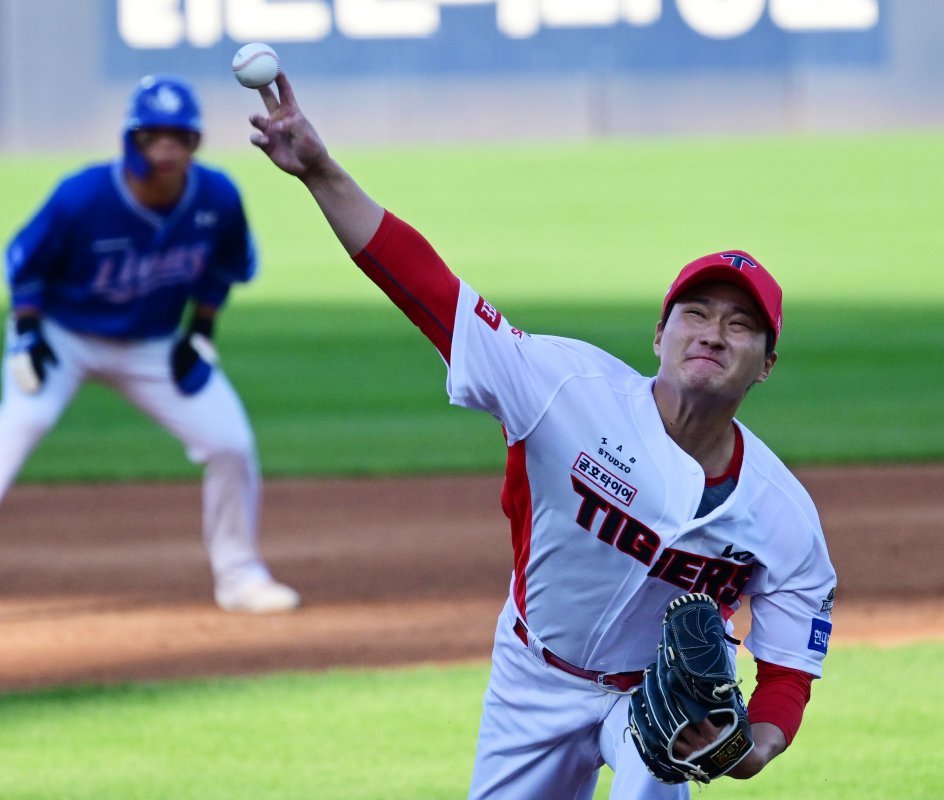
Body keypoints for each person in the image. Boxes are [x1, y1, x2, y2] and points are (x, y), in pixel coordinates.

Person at [246, 73, 835, 798]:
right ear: (659, 332)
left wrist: (757, 747)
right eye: (696, 313)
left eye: (741, 325)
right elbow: (430, 290)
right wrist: (321, 173)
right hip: (533, 675)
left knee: (653, 774)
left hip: (653, 702)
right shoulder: (564, 388)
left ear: (766, 366)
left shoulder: (785, 515)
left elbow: (788, 671)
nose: (714, 333)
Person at [0, 74, 300, 615]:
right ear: (134, 139)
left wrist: (199, 332)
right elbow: (24, 265)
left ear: (195, 142)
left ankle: (241, 577)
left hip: (153, 344)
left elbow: (224, 268)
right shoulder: (84, 196)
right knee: (22, 420)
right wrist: (28, 332)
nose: (168, 148)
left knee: (230, 443)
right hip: (63, 335)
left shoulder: (216, 198)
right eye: (155, 136)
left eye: (179, 136)